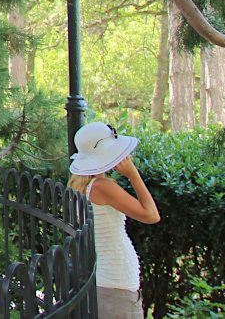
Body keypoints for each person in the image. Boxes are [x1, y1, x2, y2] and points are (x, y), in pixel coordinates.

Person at [68, 121, 161, 319]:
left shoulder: (79, 186)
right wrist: (133, 174)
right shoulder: (102, 187)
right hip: (117, 282)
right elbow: (151, 215)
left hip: (105, 279)